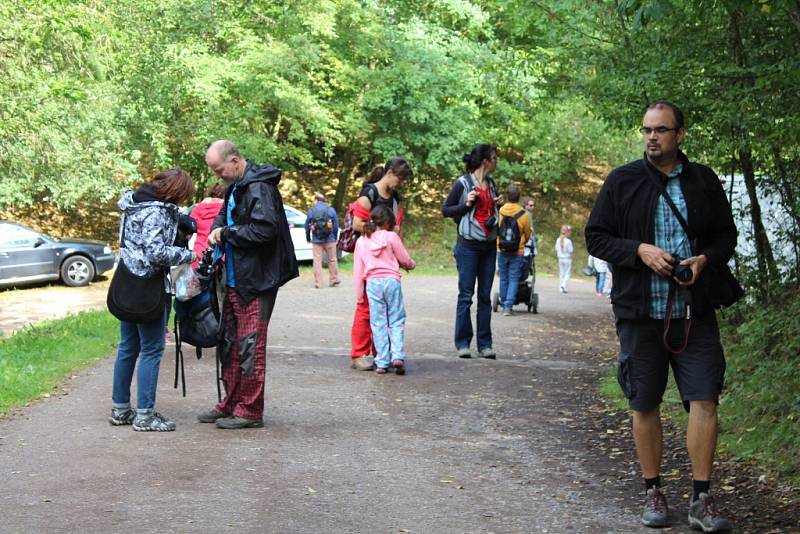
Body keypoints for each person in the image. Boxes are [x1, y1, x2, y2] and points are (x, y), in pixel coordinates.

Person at [585, 101, 737, 532]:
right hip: (640, 312)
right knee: (644, 401)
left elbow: (727, 235)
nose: (652, 137)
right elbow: (596, 237)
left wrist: (705, 259)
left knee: (705, 399)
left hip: (695, 313)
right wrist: (639, 251)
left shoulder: (704, 180)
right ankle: (653, 488)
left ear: (680, 135)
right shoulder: (622, 181)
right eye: (647, 130)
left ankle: (700, 498)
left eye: (661, 130)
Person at [198, 140, 299, 430]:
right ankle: (229, 403)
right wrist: (218, 229)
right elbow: (224, 216)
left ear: (235, 160)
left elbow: (264, 230)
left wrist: (227, 233)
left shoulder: (259, 187)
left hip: (256, 280)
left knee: (250, 345)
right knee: (228, 343)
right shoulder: (236, 185)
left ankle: (251, 410)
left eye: (219, 169)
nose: (218, 176)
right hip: (233, 279)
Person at [109, 168, 196, 432]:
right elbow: (156, 253)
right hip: (149, 286)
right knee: (151, 349)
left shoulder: (133, 204)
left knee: (128, 347)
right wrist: (188, 255)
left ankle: (120, 409)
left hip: (127, 281)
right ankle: (145, 415)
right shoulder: (157, 211)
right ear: (176, 191)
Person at [349, 158, 410, 371]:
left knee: (382, 312)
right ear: (390, 172)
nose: (400, 183)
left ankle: (381, 354)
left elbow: (397, 225)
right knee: (365, 309)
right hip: (369, 261)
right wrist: (383, 234)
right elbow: (357, 224)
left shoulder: (394, 197)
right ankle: (358, 354)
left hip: (386, 263)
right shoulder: (369, 194)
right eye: (400, 178)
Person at [442, 144, 500, 359]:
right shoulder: (463, 183)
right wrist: (466, 205)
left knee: (485, 296)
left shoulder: (492, 184)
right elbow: (446, 210)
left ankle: (485, 345)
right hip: (468, 246)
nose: (496, 162)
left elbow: (490, 212)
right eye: (494, 158)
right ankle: (463, 343)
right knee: (466, 295)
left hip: (489, 245)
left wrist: (498, 205)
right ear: (485, 161)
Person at [353, 205, 416, 375]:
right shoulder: (392, 237)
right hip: (391, 282)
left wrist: (360, 294)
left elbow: (358, 270)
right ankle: (397, 356)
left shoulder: (361, 240)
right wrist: (411, 265)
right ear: (388, 222)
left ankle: (381, 362)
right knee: (395, 319)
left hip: (372, 284)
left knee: (377, 322)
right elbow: (404, 258)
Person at [496, 185, 531, 316]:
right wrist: (524, 242)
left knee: (503, 277)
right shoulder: (524, 214)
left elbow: (497, 228)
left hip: (501, 249)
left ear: (507, 196)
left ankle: (503, 300)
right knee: (514, 278)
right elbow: (527, 233)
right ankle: (508, 307)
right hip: (518, 251)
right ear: (519, 197)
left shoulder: (501, 211)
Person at [304, 192, 340, 289]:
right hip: (330, 239)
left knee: (317, 261)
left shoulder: (312, 210)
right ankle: (333, 280)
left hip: (316, 240)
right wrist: (335, 237)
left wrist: (308, 238)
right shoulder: (331, 210)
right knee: (332, 260)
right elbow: (336, 225)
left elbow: (307, 225)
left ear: (316, 200)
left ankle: (318, 283)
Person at [189, 181, 227, 269]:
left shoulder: (199, 207)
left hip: (199, 254)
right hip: (221, 255)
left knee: (197, 281)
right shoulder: (227, 209)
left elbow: (189, 230)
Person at [555, 225, 573, 293]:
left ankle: (561, 288)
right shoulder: (568, 241)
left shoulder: (558, 240)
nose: (570, 233)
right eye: (569, 232)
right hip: (567, 259)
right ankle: (563, 285)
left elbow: (556, 249)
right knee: (567, 274)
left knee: (561, 273)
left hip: (560, 259)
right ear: (567, 232)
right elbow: (571, 251)